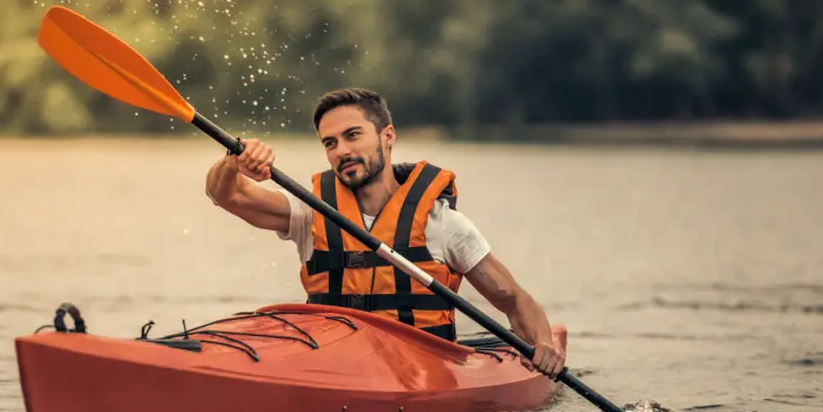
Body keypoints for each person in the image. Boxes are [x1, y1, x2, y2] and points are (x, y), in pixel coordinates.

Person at [204, 88, 565, 378]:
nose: (342, 151)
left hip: (421, 371)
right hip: (331, 366)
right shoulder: (310, 212)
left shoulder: (443, 225)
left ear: (387, 136)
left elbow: (514, 301)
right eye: (330, 143)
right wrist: (233, 163)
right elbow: (227, 194)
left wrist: (544, 344)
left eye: (353, 135)